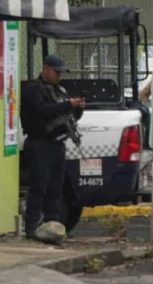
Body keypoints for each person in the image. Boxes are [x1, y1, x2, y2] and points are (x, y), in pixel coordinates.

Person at [20, 54, 85, 239]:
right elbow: (43, 110)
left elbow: (68, 117)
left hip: (57, 143)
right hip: (39, 143)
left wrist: (77, 107)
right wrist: (67, 105)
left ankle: (52, 225)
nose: (59, 76)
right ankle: (32, 227)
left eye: (61, 73)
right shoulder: (34, 89)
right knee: (39, 186)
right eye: (56, 72)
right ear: (46, 69)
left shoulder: (59, 90)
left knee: (55, 188)